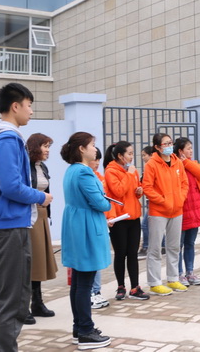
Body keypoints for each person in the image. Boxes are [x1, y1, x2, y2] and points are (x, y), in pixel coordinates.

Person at [0, 83, 52, 351]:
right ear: (15, 106)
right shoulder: (9, 140)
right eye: (29, 105)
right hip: (9, 229)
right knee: (14, 299)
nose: (31, 111)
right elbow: (11, 187)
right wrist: (41, 197)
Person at [60, 132, 112, 349]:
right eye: (92, 145)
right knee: (84, 283)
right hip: (86, 227)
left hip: (77, 224)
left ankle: (79, 328)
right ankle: (85, 332)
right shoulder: (84, 172)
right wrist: (107, 202)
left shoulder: (72, 170)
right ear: (81, 149)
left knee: (79, 282)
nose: (95, 149)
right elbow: (100, 203)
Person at [142, 133, 189, 295]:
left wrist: (180, 199)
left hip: (177, 210)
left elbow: (184, 184)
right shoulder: (152, 164)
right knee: (155, 248)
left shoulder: (177, 162)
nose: (169, 146)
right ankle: (154, 282)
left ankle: (173, 278)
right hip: (159, 212)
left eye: (170, 143)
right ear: (157, 147)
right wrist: (163, 200)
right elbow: (147, 188)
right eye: (165, 144)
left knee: (174, 246)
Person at [103, 141, 149, 301]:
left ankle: (135, 287)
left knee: (132, 254)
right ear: (120, 156)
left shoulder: (132, 170)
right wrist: (129, 174)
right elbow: (118, 191)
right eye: (129, 153)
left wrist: (139, 191)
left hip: (133, 217)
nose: (131, 156)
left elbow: (135, 190)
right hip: (119, 219)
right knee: (121, 253)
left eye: (132, 153)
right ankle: (121, 286)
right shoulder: (111, 171)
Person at [25, 133, 58, 324]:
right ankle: (23, 307)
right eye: (45, 146)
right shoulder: (24, 165)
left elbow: (45, 191)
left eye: (48, 147)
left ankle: (37, 303)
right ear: (35, 147)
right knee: (29, 261)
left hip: (42, 216)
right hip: (29, 216)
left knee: (38, 261)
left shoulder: (42, 167)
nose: (47, 150)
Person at [174, 137, 200, 286]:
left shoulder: (192, 164)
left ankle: (190, 272)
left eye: (191, 148)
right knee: (178, 245)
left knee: (190, 243)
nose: (191, 150)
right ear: (180, 151)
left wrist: (187, 162)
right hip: (181, 210)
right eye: (188, 148)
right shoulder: (175, 166)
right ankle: (179, 274)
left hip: (194, 211)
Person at [88, 148, 110, 310]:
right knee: (90, 259)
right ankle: (91, 293)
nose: (97, 163)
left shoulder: (99, 177)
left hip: (100, 221)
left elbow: (107, 198)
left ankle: (96, 291)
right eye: (94, 159)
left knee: (97, 259)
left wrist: (109, 217)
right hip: (90, 222)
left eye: (98, 160)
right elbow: (100, 201)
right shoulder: (84, 175)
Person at [138, 145, 154, 260]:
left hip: (153, 201)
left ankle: (146, 247)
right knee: (151, 225)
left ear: (151, 155)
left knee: (145, 225)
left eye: (144, 155)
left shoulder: (152, 167)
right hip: (150, 201)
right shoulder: (147, 168)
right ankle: (163, 245)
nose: (143, 157)